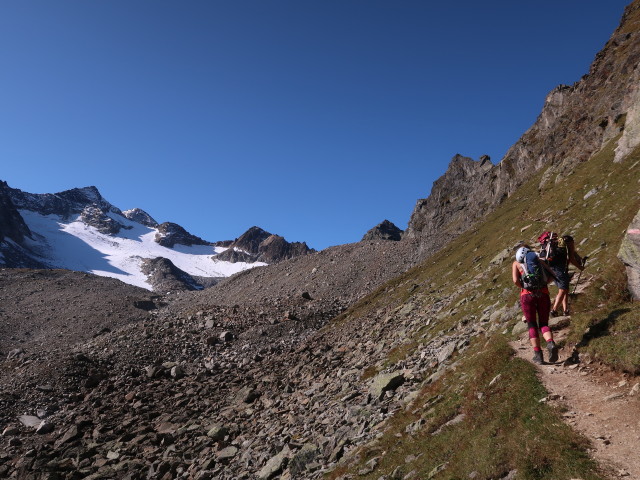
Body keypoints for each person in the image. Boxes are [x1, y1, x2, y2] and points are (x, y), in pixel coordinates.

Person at [512, 245, 559, 364]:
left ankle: (538, 355)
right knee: (543, 323)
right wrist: (543, 285)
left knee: (532, 325)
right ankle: (550, 342)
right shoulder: (538, 259)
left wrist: (524, 287)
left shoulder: (516, 263)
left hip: (527, 296)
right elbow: (552, 275)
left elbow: (515, 280)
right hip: (543, 294)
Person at [540, 232, 584, 316]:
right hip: (560, 270)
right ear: (571, 242)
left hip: (551, 268)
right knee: (562, 289)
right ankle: (554, 310)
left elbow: (573, 254)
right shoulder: (568, 244)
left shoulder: (557, 245)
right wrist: (580, 267)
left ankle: (565, 310)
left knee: (565, 289)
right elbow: (571, 258)